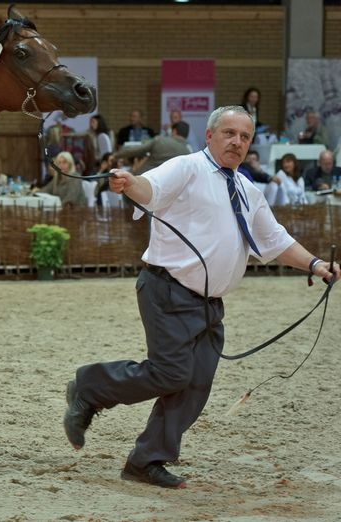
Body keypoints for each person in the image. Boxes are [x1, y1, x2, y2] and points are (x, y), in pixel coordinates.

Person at [62, 106, 339, 489]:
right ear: (210, 136)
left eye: (244, 136)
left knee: (195, 384)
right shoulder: (187, 167)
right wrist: (129, 182)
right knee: (171, 373)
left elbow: (274, 241)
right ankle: (88, 386)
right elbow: (150, 189)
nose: (237, 142)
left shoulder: (248, 190)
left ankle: (146, 460)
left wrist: (315, 264)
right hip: (166, 290)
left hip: (209, 306)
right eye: (229, 133)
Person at [115, 121, 191, 175]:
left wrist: (115, 155)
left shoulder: (160, 140)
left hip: (145, 181)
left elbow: (136, 150)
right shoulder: (188, 153)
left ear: (174, 131)